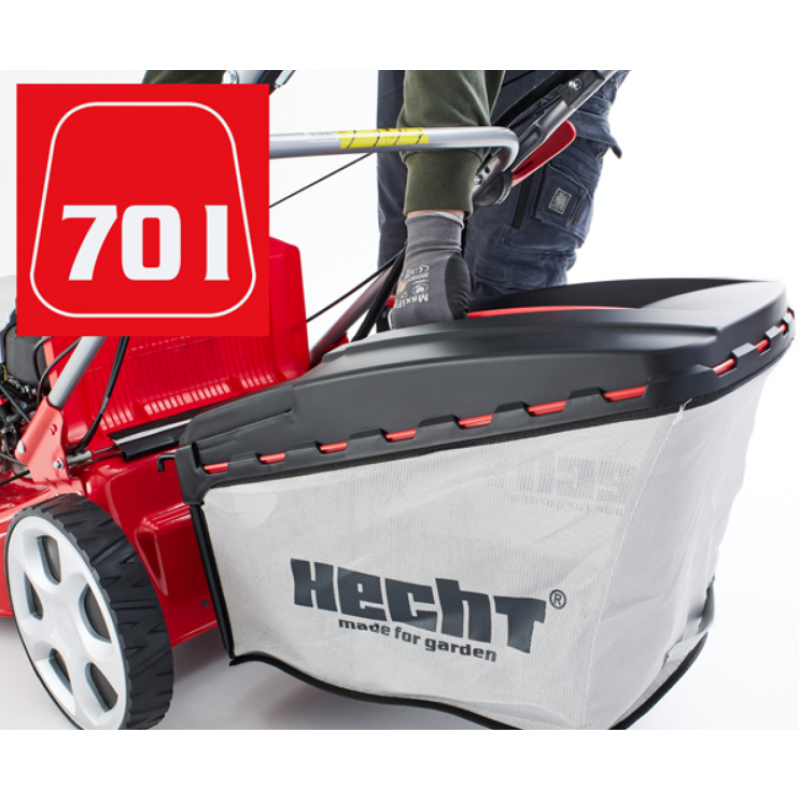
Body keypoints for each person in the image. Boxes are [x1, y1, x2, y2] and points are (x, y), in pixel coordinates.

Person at [143, 70, 628, 328]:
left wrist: (434, 228)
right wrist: (142, 189)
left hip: (541, 75)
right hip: (421, 82)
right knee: (401, 334)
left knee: (489, 345)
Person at [378, 71, 629, 328]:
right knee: (401, 306)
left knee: (502, 323)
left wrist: (432, 236)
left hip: (538, 90)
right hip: (423, 94)